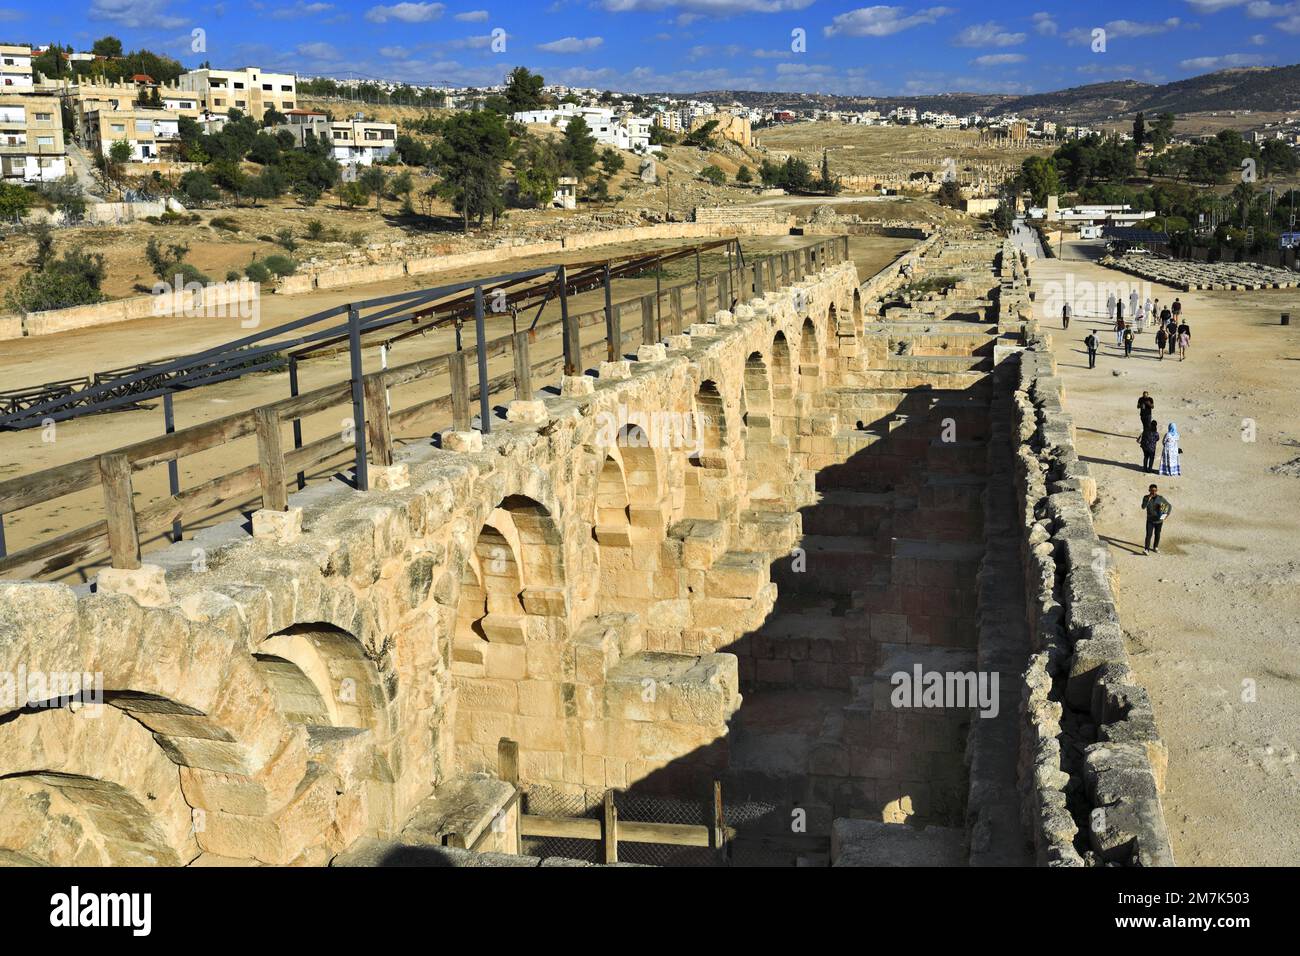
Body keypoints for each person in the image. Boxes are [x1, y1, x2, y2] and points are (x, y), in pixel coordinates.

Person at [1142, 484, 1173, 554]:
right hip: (1150, 520)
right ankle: (1146, 549)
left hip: (1158, 521)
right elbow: (1143, 507)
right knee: (1148, 535)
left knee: (1157, 534)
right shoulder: (1146, 497)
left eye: (1155, 490)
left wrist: (1164, 516)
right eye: (1152, 490)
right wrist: (1148, 500)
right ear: (1149, 490)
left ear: (1157, 490)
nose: (1153, 492)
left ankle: (1155, 547)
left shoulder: (1160, 498)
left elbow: (1169, 506)